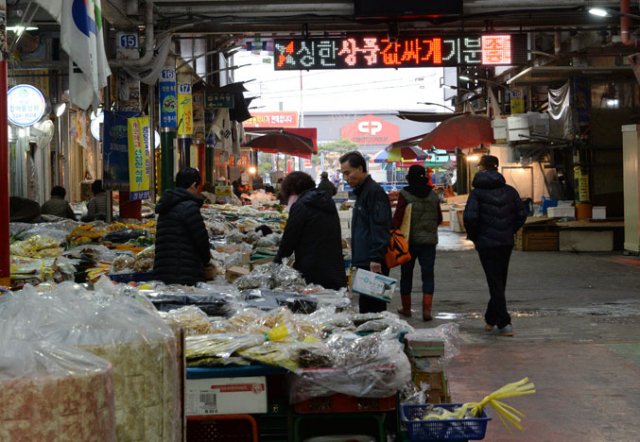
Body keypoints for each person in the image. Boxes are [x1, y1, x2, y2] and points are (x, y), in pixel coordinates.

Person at [463, 155, 527, 337]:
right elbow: (522, 214)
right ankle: (491, 319)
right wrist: (509, 230)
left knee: (495, 282)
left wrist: (476, 237)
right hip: (505, 242)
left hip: (486, 243)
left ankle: (504, 323)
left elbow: (470, 218)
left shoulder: (476, 193)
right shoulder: (510, 191)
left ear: (482, 169)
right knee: (499, 280)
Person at [274, 172, 347, 290]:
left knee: (314, 304)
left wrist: (276, 263)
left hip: (311, 268)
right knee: (332, 302)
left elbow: (289, 239)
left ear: (292, 190)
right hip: (334, 267)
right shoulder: (327, 202)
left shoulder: (301, 206)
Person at [339, 151, 392, 313]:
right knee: (367, 307)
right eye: (343, 175)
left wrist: (376, 258)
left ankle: (378, 337)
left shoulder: (374, 192)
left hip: (373, 262)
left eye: (348, 173)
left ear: (361, 168)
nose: (346, 179)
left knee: (374, 309)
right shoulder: (363, 192)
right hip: (366, 260)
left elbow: (380, 226)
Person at [393, 165, 443, 321]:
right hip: (429, 242)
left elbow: (398, 218)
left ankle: (406, 309)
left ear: (409, 177)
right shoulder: (433, 195)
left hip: (408, 242)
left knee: (406, 275)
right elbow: (439, 218)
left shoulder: (405, 194)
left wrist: (393, 233)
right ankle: (427, 311)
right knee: (428, 275)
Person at [153, 168, 211, 286]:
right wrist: (207, 262)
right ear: (193, 185)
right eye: (197, 187)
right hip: (185, 274)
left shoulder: (166, 205)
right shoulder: (189, 207)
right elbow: (201, 241)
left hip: (162, 271)